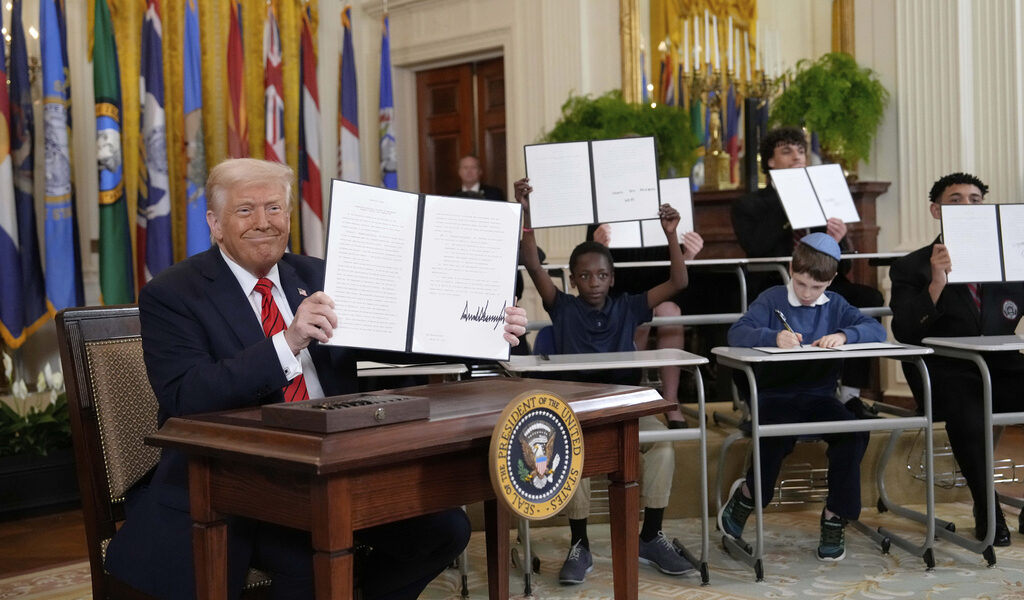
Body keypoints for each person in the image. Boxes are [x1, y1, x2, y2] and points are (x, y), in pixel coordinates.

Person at [103, 158, 528, 600]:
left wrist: (484, 330)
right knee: (308, 559)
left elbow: (396, 337)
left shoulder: (319, 275)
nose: (263, 222)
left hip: (338, 470)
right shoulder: (173, 293)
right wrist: (287, 342)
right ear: (215, 224)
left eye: (274, 208)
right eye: (246, 210)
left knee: (445, 530)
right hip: (241, 484)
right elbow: (186, 396)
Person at [515, 177, 703, 584]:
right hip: (577, 409)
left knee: (663, 444)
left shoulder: (629, 307)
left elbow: (679, 283)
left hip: (625, 405)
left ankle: (650, 536)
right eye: (585, 276)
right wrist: (526, 213)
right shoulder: (561, 306)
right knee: (568, 449)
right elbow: (531, 262)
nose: (594, 282)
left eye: (602, 275)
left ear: (612, 278)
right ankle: (579, 543)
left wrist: (671, 235)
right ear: (572, 280)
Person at [721, 232, 886, 562]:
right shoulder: (771, 299)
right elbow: (736, 332)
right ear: (791, 270)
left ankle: (835, 515)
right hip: (773, 397)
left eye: (817, 287)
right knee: (774, 437)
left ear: (831, 281)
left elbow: (876, 330)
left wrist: (844, 335)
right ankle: (748, 495)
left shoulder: (835, 304)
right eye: (801, 284)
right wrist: (772, 337)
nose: (808, 294)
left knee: (852, 433)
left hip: (818, 397)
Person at [889, 172, 1024, 547]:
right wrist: (936, 282)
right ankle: (988, 509)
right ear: (936, 210)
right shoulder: (911, 266)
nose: (967, 205)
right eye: (956, 199)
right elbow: (904, 330)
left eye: (975, 200)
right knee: (968, 415)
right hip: (943, 369)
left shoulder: (1007, 258)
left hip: (1001, 366)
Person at [731, 126, 884, 408]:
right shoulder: (750, 203)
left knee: (869, 298)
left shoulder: (820, 197)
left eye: (801, 151)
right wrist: (790, 208)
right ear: (770, 161)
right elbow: (755, 246)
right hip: (776, 281)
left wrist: (837, 239)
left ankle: (851, 394)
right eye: (787, 151)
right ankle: (767, 398)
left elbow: (843, 265)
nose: (797, 157)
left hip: (821, 283)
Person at [586, 223, 706, 428]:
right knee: (639, 317)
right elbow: (587, 264)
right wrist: (597, 247)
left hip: (663, 287)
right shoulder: (602, 216)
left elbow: (677, 278)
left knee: (671, 312)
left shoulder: (671, 215)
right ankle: (632, 393)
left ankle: (671, 399)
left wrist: (688, 255)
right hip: (619, 290)